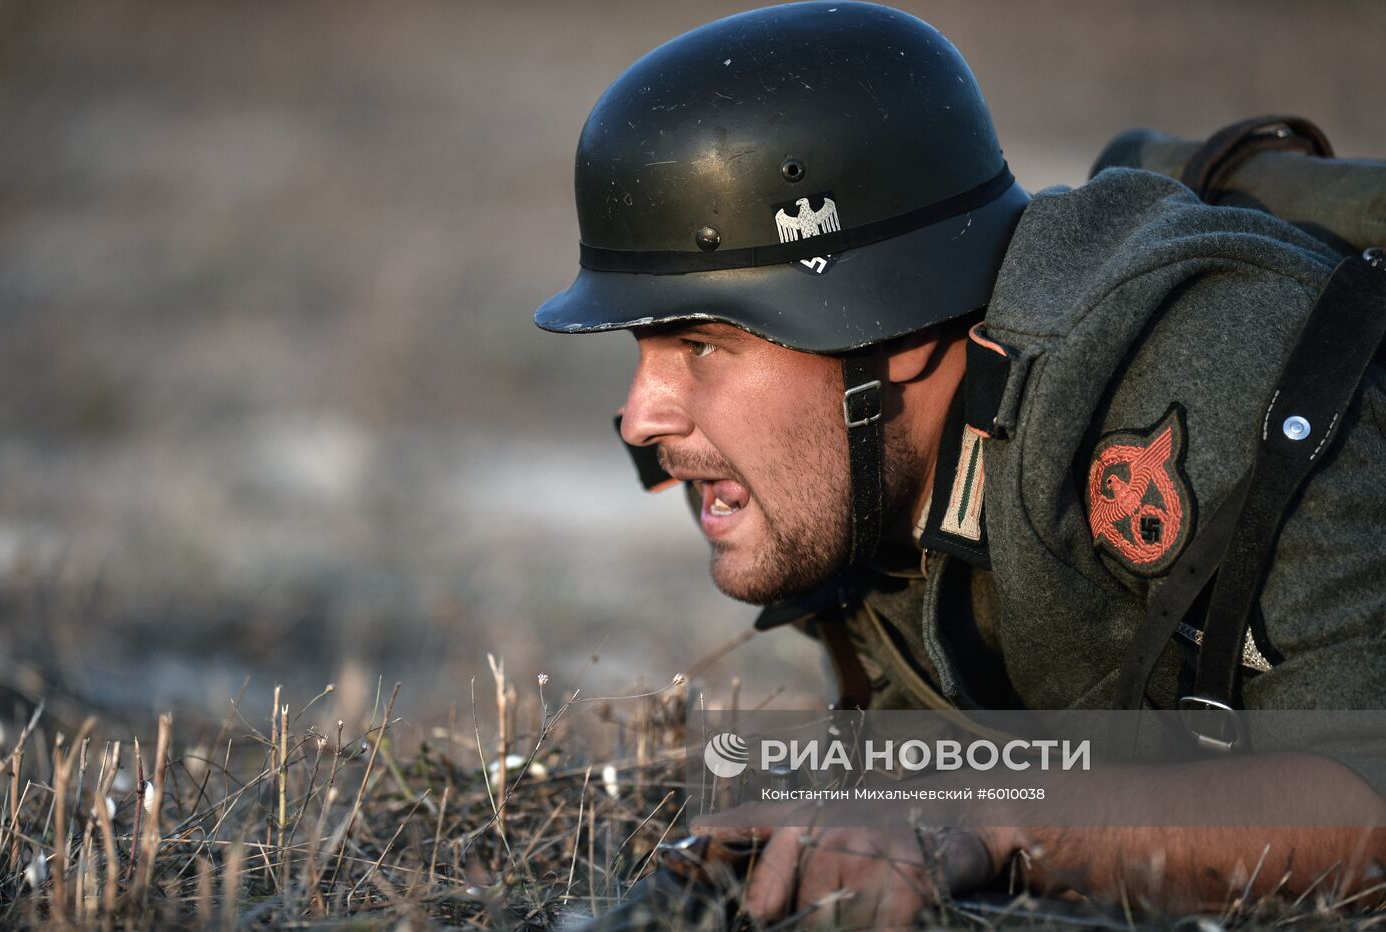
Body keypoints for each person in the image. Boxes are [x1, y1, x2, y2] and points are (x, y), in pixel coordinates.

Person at [535, 2, 1385, 925]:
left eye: (699, 343)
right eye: (641, 349)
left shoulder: (1217, 384)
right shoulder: (874, 476)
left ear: (889, 332)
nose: (641, 415)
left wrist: (990, 818)